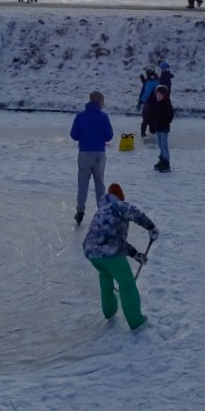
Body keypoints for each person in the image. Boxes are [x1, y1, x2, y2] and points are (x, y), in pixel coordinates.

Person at [82, 183, 159, 331]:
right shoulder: (117, 206)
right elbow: (133, 212)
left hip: (92, 253)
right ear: (120, 197)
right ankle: (136, 322)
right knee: (127, 285)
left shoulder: (101, 211)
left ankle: (109, 312)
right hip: (110, 254)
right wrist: (151, 227)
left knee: (105, 278)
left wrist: (135, 254)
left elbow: (113, 240)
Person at [69, 90, 114, 225]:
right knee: (99, 183)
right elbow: (109, 136)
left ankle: (80, 212)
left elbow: (74, 135)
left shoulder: (80, 116)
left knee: (83, 183)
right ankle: (101, 211)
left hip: (84, 153)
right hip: (99, 154)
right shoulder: (104, 117)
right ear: (100, 102)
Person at [145, 84, 174, 172]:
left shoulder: (167, 103)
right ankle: (162, 159)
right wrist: (152, 124)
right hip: (158, 128)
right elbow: (154, 116)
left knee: (164, 145)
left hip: (164, 128)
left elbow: (170, 116)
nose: (158, 97)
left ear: (164, 95)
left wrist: (164, 123)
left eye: (160, 95)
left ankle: (166, 162)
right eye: (157, 95)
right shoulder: (157, 104)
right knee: (159, 144)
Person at [137, 66, 159, 138]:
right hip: (156, 105)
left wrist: (140, 102)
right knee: (153, 120)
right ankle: (153, 130)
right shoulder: (157, 80)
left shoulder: (149, 81)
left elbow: (146, 93)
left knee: (145, 120)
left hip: (148, 104)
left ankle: (143, 133)